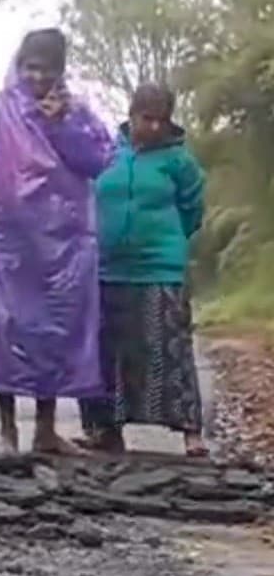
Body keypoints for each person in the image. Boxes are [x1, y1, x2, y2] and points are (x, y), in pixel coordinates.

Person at [0, 28, 115, 455]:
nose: (38, 77)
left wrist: (60, 124)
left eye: (47, 69)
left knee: (53, 332)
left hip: (63, 243)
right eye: (31, 67)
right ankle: (7, 431)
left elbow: (99, 161)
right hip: (9, 244)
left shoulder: (76, 113)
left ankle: (45, 429)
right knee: (5, 328)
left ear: (61, 71)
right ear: (18, 65)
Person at [78, 83, 207, 456]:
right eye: (145, 119)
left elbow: (192, 209)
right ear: (131, 115)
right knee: (106, 352)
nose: (152, 127)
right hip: (105, 268)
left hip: (159, 267)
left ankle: (191, 433)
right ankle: (105, 430)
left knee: (169, 349)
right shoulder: (107, 154)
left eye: (160, 121)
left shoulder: (179, 162)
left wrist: (169, 241)